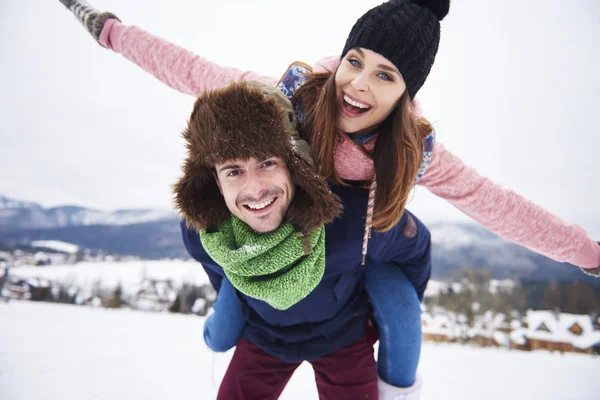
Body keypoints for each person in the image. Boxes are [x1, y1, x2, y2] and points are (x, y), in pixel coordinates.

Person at [57, 0, 600, 399]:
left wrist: (589, 253)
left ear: (405, 94)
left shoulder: (412, 150)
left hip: (342, 306)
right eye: (355, 60)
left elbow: (498, 205)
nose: (358, 84)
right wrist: (109, 31)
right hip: (269, 305)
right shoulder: (286, 98)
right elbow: (192, 70)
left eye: (384, 75)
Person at [174, 80, 432, 399]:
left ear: (295, 163)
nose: (255, 190)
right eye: (233, 171)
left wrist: (387, 305)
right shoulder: (205, 234)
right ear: (216, 179)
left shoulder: (352, 221)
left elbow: (414, 250)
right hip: (264, 336)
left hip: (342, 334)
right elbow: (223, 277)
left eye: (267, 162)